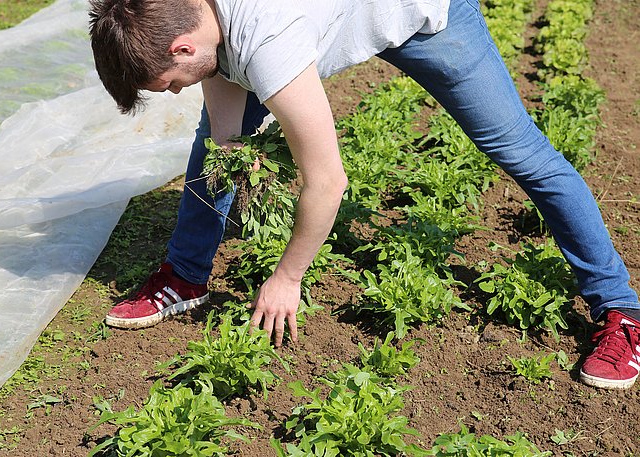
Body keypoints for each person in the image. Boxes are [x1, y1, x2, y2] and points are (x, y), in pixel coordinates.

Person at [88, 0, 640, 389]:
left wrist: (287, 277)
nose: (176, 91)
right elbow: (227, 140)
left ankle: (621, 311)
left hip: (418, 14)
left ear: (183, 45)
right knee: (213, 144)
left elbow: (327, 180)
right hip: (313, 18)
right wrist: (237, 160)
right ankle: (185, 273)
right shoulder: (196, 19)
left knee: (523, 153)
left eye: (171, 82)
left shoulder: (266, 40)